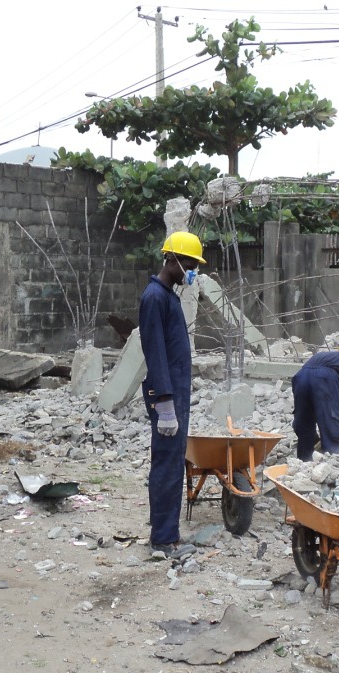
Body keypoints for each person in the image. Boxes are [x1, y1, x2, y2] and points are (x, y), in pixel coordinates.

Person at [139, 231, 205, 559]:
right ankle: (162, 540)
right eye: (190, 264)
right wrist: (164, 401)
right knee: (167, 464)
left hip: (174, 391)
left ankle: (168, 533)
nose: (193, 270)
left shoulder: (167, 296)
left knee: (171, 462)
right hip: (166, 393)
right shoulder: (154, 298)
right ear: (173, 260)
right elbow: (154, 352)